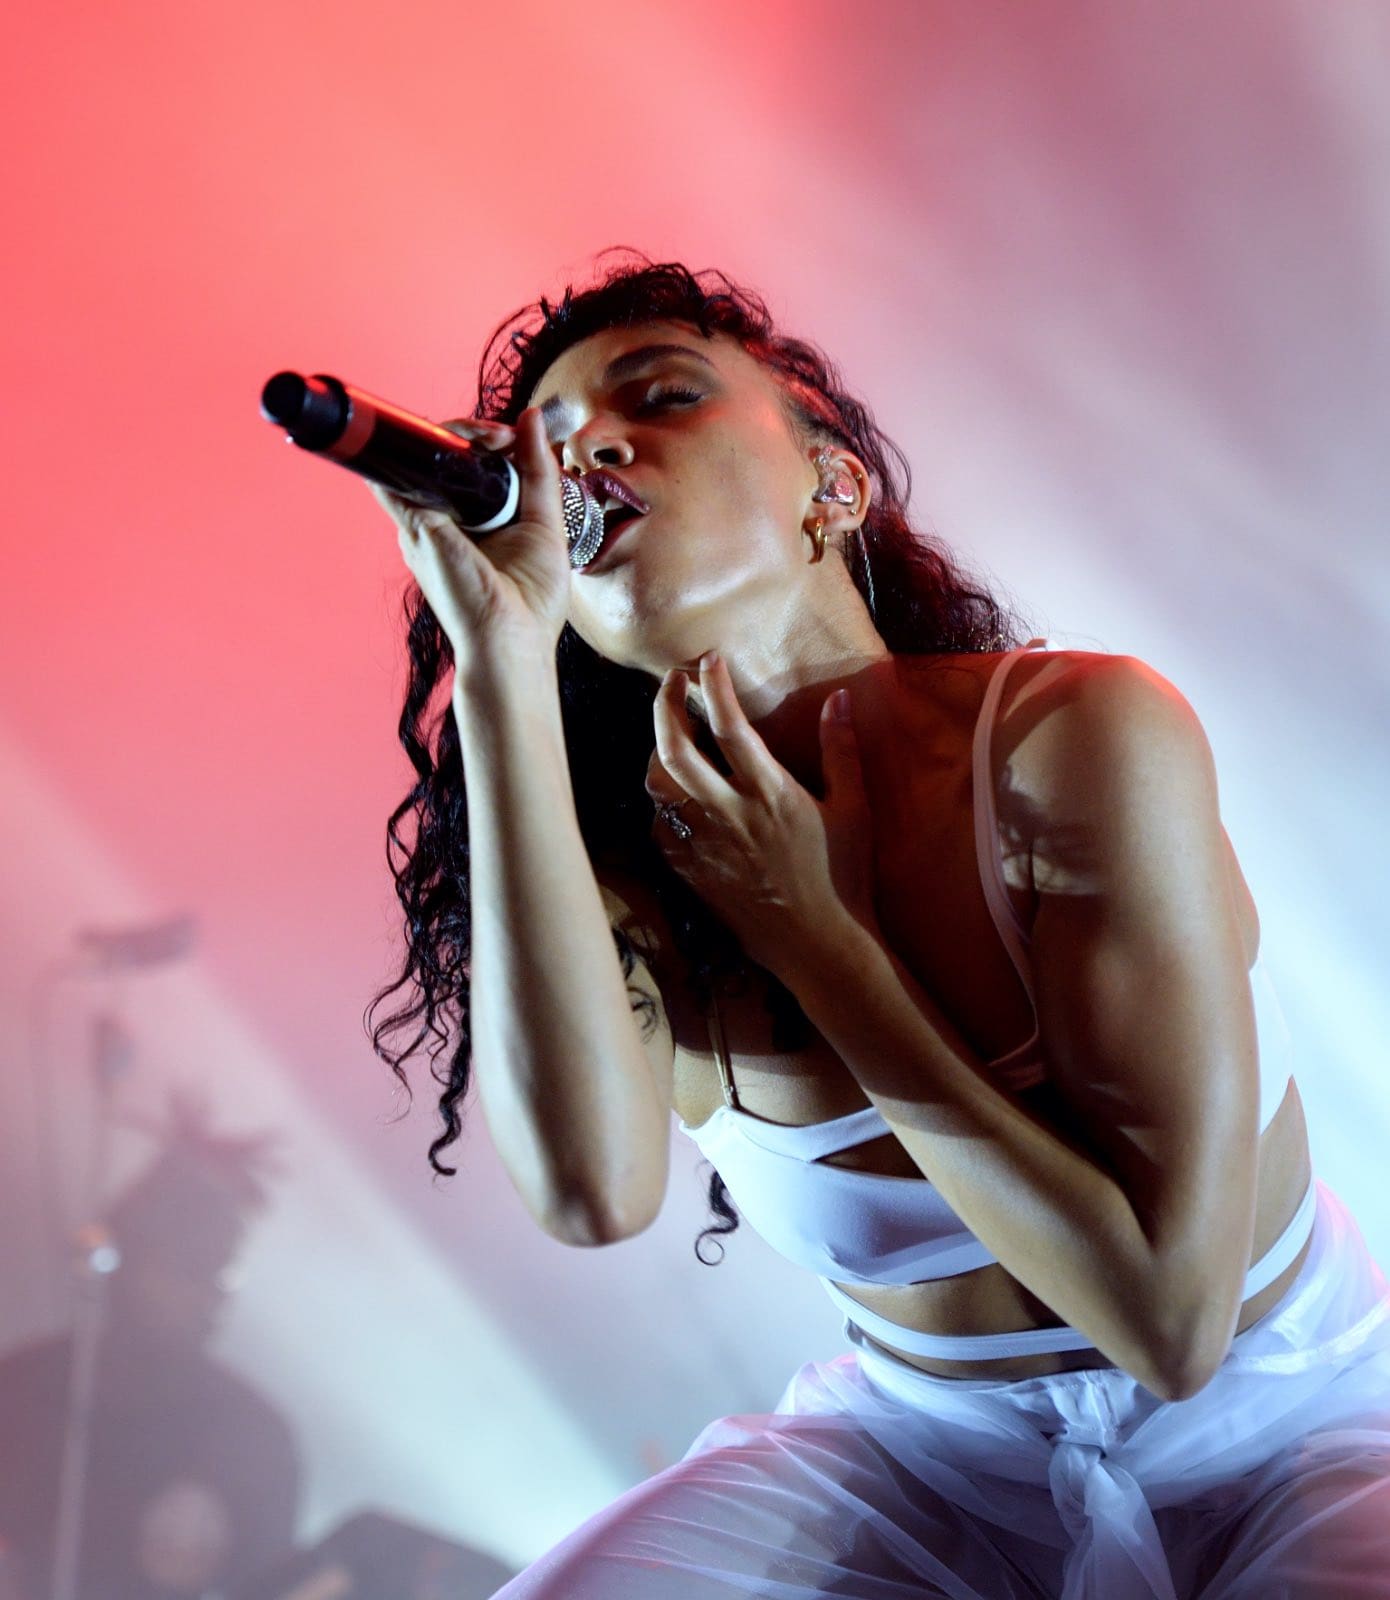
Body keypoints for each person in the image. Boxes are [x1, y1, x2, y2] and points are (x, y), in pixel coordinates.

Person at [367, 255, 1390, 1598]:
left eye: (659, 398)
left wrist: (817, 940)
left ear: (831, 486)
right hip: (924, 1461)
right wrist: (499, 660)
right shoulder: (630, 880)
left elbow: (1169, 1320)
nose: (588, 455)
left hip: (1286, 1431)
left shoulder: (1071, 735)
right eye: (553, 451)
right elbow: (587, 1192)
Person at [0, 1106, 300, 1600]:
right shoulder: (20, 1391)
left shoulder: (254, 1438)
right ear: (129, 1257)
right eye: (193, 1265)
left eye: (225, 1271)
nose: (213, 1293)